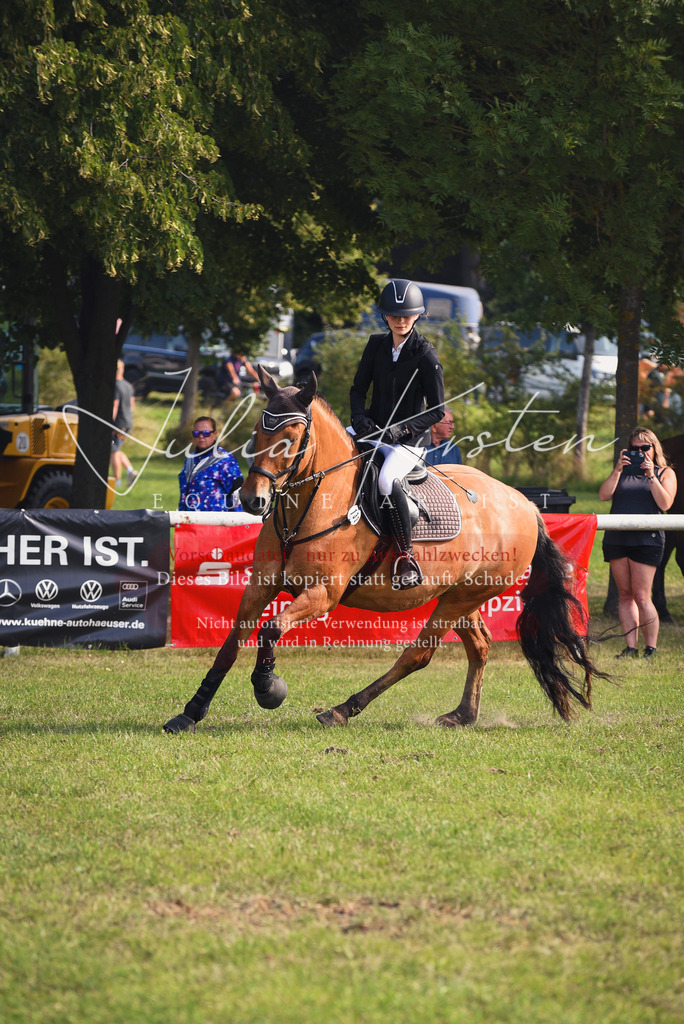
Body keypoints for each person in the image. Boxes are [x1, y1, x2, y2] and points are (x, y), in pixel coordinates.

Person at [350, 279, 445, 589]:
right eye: (394, 315)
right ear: (385, 316)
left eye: (406, 315)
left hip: (408, 441)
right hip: (373, 429)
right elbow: (358, 389)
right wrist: (359, 417)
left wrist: (402, 429)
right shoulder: (375, 345)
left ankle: (406, 557)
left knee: (386, 480)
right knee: (332, 453)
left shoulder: (425, 355)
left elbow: (437, 411)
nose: (400, 320)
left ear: (417, 316)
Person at [599, 426, 677, 659]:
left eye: (645, 447)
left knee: (642, 596)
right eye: (635, 448)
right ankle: (630, 647)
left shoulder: (665, 473)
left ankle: (650, 648)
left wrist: (651, 475)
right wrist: (617, 470)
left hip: (647, 539)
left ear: (654, 448)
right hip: (617, 537)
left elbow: (665, 504)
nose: (640, 452)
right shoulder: (621, 472)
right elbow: (603, 495)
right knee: (625, 595)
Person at [178, 416, 244, 511]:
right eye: (196, 433)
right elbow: (184, 494)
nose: (201, 436)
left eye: (206, 433)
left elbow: (237, 494)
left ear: (214, 434)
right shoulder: (190, 459)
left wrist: (239, 518)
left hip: (217, 518)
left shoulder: (226, 460)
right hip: (188, 518)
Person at [111, 360, 137, 488]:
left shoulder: (115, 385)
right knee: (116, 448)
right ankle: (130, 471)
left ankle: (117, 481)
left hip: (118, 423)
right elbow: (132, 406)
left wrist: (110, 424)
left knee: (113, 451)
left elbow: (114, 406)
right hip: (127, 422)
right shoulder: (129, 386)